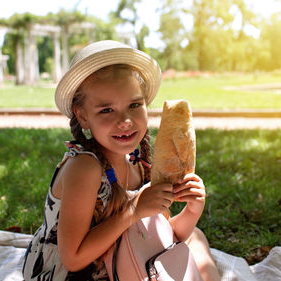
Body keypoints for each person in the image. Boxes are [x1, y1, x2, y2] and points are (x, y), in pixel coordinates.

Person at [23, 40, 220, 281]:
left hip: (126, 259)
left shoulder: (139, 162)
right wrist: (135, 209)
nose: (125, 120)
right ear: (82, 116)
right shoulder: (85, 168)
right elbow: (73, 259)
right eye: (107, 110)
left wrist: (193, 208)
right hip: (76, 274)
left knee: (196, 235)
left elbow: (163, 234)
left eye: (134, 105)